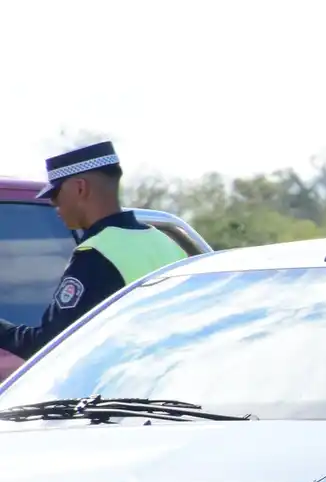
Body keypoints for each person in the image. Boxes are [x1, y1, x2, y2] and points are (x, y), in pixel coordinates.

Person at [0, 141, 187, 361]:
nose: (53, 204)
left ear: (80, 188)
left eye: (56, 194)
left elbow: (51, 345)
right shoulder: (167, 244)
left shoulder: (97, 253)